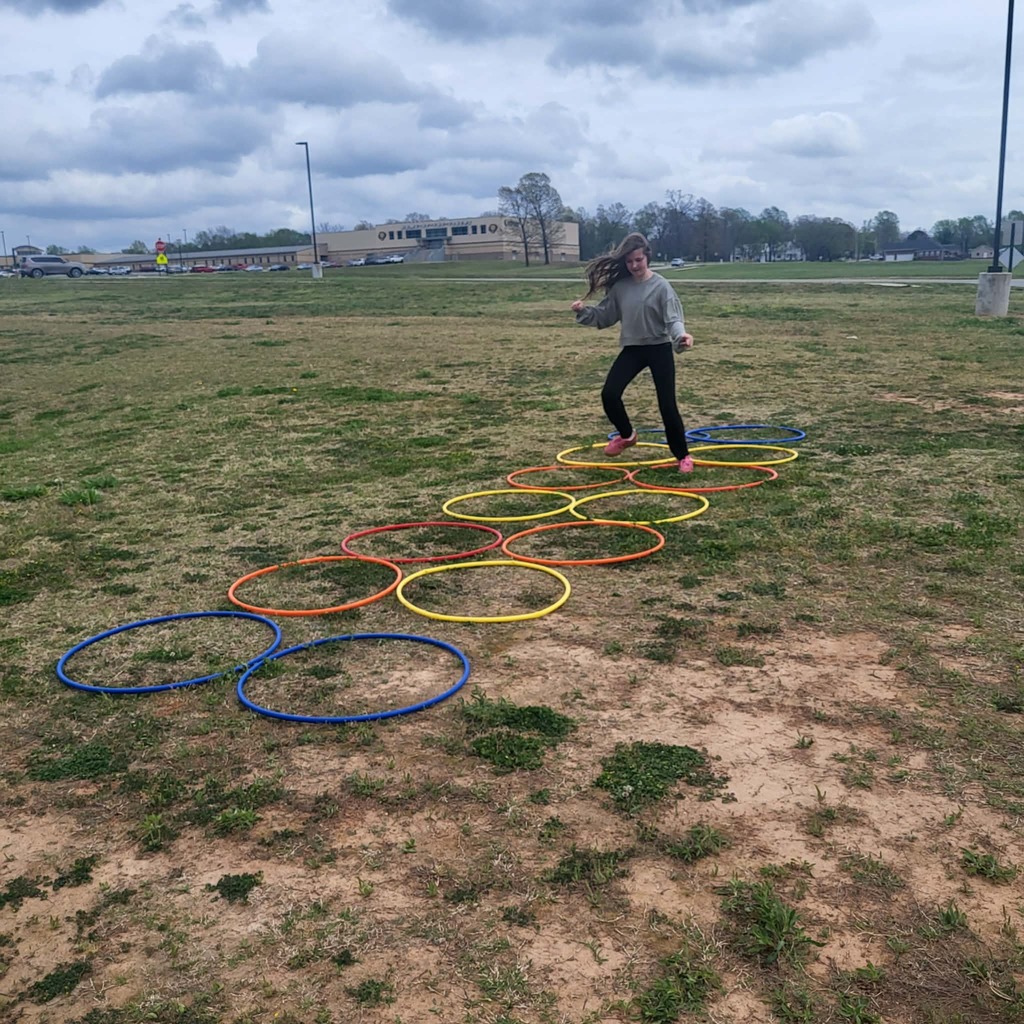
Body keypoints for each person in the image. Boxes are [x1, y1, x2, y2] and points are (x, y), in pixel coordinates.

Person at [571, 232, 695, 473]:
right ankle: (627, 436)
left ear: (647, 257)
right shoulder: (621, 287)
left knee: (667, 405)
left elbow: (673, 319)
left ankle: (683, 456)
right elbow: (605, 315)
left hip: (658, 348)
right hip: (633, 349)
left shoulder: (661, 286)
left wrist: (681, 336)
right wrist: (583, 311)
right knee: (609, 394)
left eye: (639, 260)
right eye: (629, 261)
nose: (634, 265)